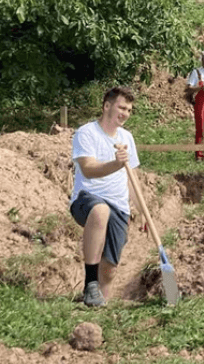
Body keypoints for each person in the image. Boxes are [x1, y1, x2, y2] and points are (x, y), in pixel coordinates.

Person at [69, 87, 142, 307]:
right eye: (121, 107)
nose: (125, 113)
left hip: (120, 206)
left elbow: (132, 178)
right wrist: (115, 164)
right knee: (101, 211)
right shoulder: (86, 133)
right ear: (107, 106)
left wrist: (142, 209)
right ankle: (90, 284)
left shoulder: (127, 137)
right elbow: (89, 169)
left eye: (129, 110)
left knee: (110, 269)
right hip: (87, 198)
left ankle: (100, 309)